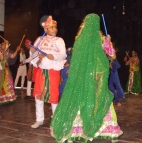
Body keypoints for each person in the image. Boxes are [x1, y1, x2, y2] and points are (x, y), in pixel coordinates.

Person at [50, 13, 123, 142]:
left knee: (81, 98)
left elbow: (76, 59)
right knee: (99, 98)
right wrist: (109, 43)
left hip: (82, 76)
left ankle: (76, 129)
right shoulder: (101, 38)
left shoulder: (79, 39)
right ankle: (104, 128)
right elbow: (113, 56)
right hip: (99, 75)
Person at [29, 15, 67, 128]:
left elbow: (63, 55)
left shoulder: (59, 40)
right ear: (45, 29)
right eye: (52, 27)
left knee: (53, 96)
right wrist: (32, 51)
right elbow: (33, 55)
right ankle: (39, 119)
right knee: (38, 96)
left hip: (53, 71)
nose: (55, 29)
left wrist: (53, 56)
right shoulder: (39, 40)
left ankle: (55, 120)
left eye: (55, 27)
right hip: (41, 71)